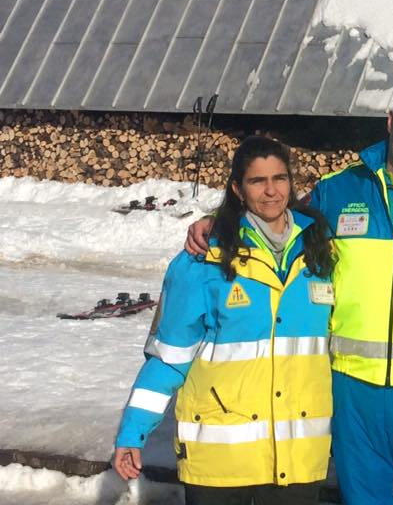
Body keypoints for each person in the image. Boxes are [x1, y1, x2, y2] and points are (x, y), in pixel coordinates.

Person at [185, 83, 393, 505]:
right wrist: (216, 220)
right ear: (391, 121)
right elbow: (276, 216)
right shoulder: (339, 190)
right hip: (353, 387)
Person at [114, 136, 335, 505]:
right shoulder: (203, 260)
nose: (271, 191)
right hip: (220, 457)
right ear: (237, 188)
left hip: (297, 458)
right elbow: (169, 358)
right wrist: (132, 433)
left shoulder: (320, 253)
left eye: (279, 179)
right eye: (257, 181)